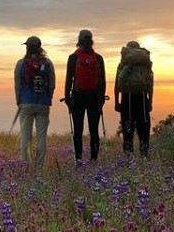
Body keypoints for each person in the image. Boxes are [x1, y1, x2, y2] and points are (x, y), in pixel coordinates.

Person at [64, 29, 106, 164]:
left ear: (79, 41)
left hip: (78, 98)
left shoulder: (73, 57)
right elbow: (103, 81)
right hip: (94, 98)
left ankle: (79, 160)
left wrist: (67, 98)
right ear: (91, 40)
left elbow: (69, 79)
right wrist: (101, 101)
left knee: (78, 131)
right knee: (94, 130)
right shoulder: (98, 58)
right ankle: (94, 160)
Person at [14, 36, 55, 169]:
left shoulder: (21, 63)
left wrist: (18, 100)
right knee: (41, 136)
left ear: (27, 47)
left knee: (25, 135)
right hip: (43, 103)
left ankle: (26, 165)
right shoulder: (48, 63)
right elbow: (52, 84)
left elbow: (18, 85)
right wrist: (49, 98)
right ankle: (39, 167)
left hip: (26, 102)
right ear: (40, 47)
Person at [114, 41, 153, 158]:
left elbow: (117, 85)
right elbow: (150, 85)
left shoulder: (123, 65)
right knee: (143, 128)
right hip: (142, 98)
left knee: (127, 128)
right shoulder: (145, 65)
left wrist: (117, 102)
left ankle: (129, 155)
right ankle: (144, 154)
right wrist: (150, 102)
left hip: (127, 98)